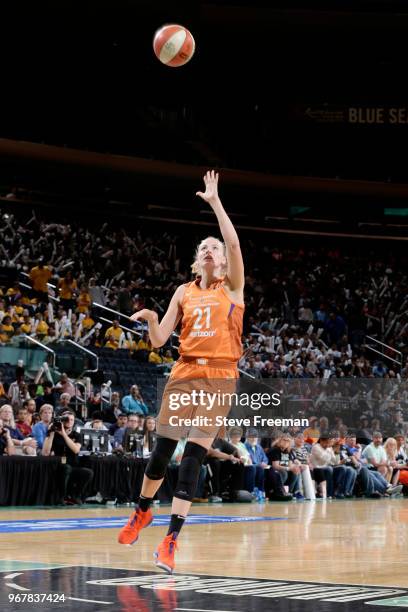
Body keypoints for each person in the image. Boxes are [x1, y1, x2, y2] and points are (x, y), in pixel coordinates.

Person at [117, 170, 245, 574]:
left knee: (193, 455)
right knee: (162, 453)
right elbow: (158, 341)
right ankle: (142, 511)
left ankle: (171, 540)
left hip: (221, 375)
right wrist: (154, 318)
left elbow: (234, 240)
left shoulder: (233, 287)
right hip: (185, 371)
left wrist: (214, 203)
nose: (211, 250)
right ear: (197, 258)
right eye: (204, 246)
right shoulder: (182, 292)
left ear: (223, 260)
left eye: (215, 248)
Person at [42, 410, 93, 504]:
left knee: (88, 472)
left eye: (72, 420)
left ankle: (75, 495)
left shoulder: (77, 435)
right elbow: (45, 453)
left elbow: (76, 450)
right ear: (61, 421)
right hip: (57, 466)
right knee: (66, 468)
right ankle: (61, 497)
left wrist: (64, 434)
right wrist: (52, 433)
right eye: (66, 419)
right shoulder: (54, 434)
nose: (69, 421)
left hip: (72, 465)